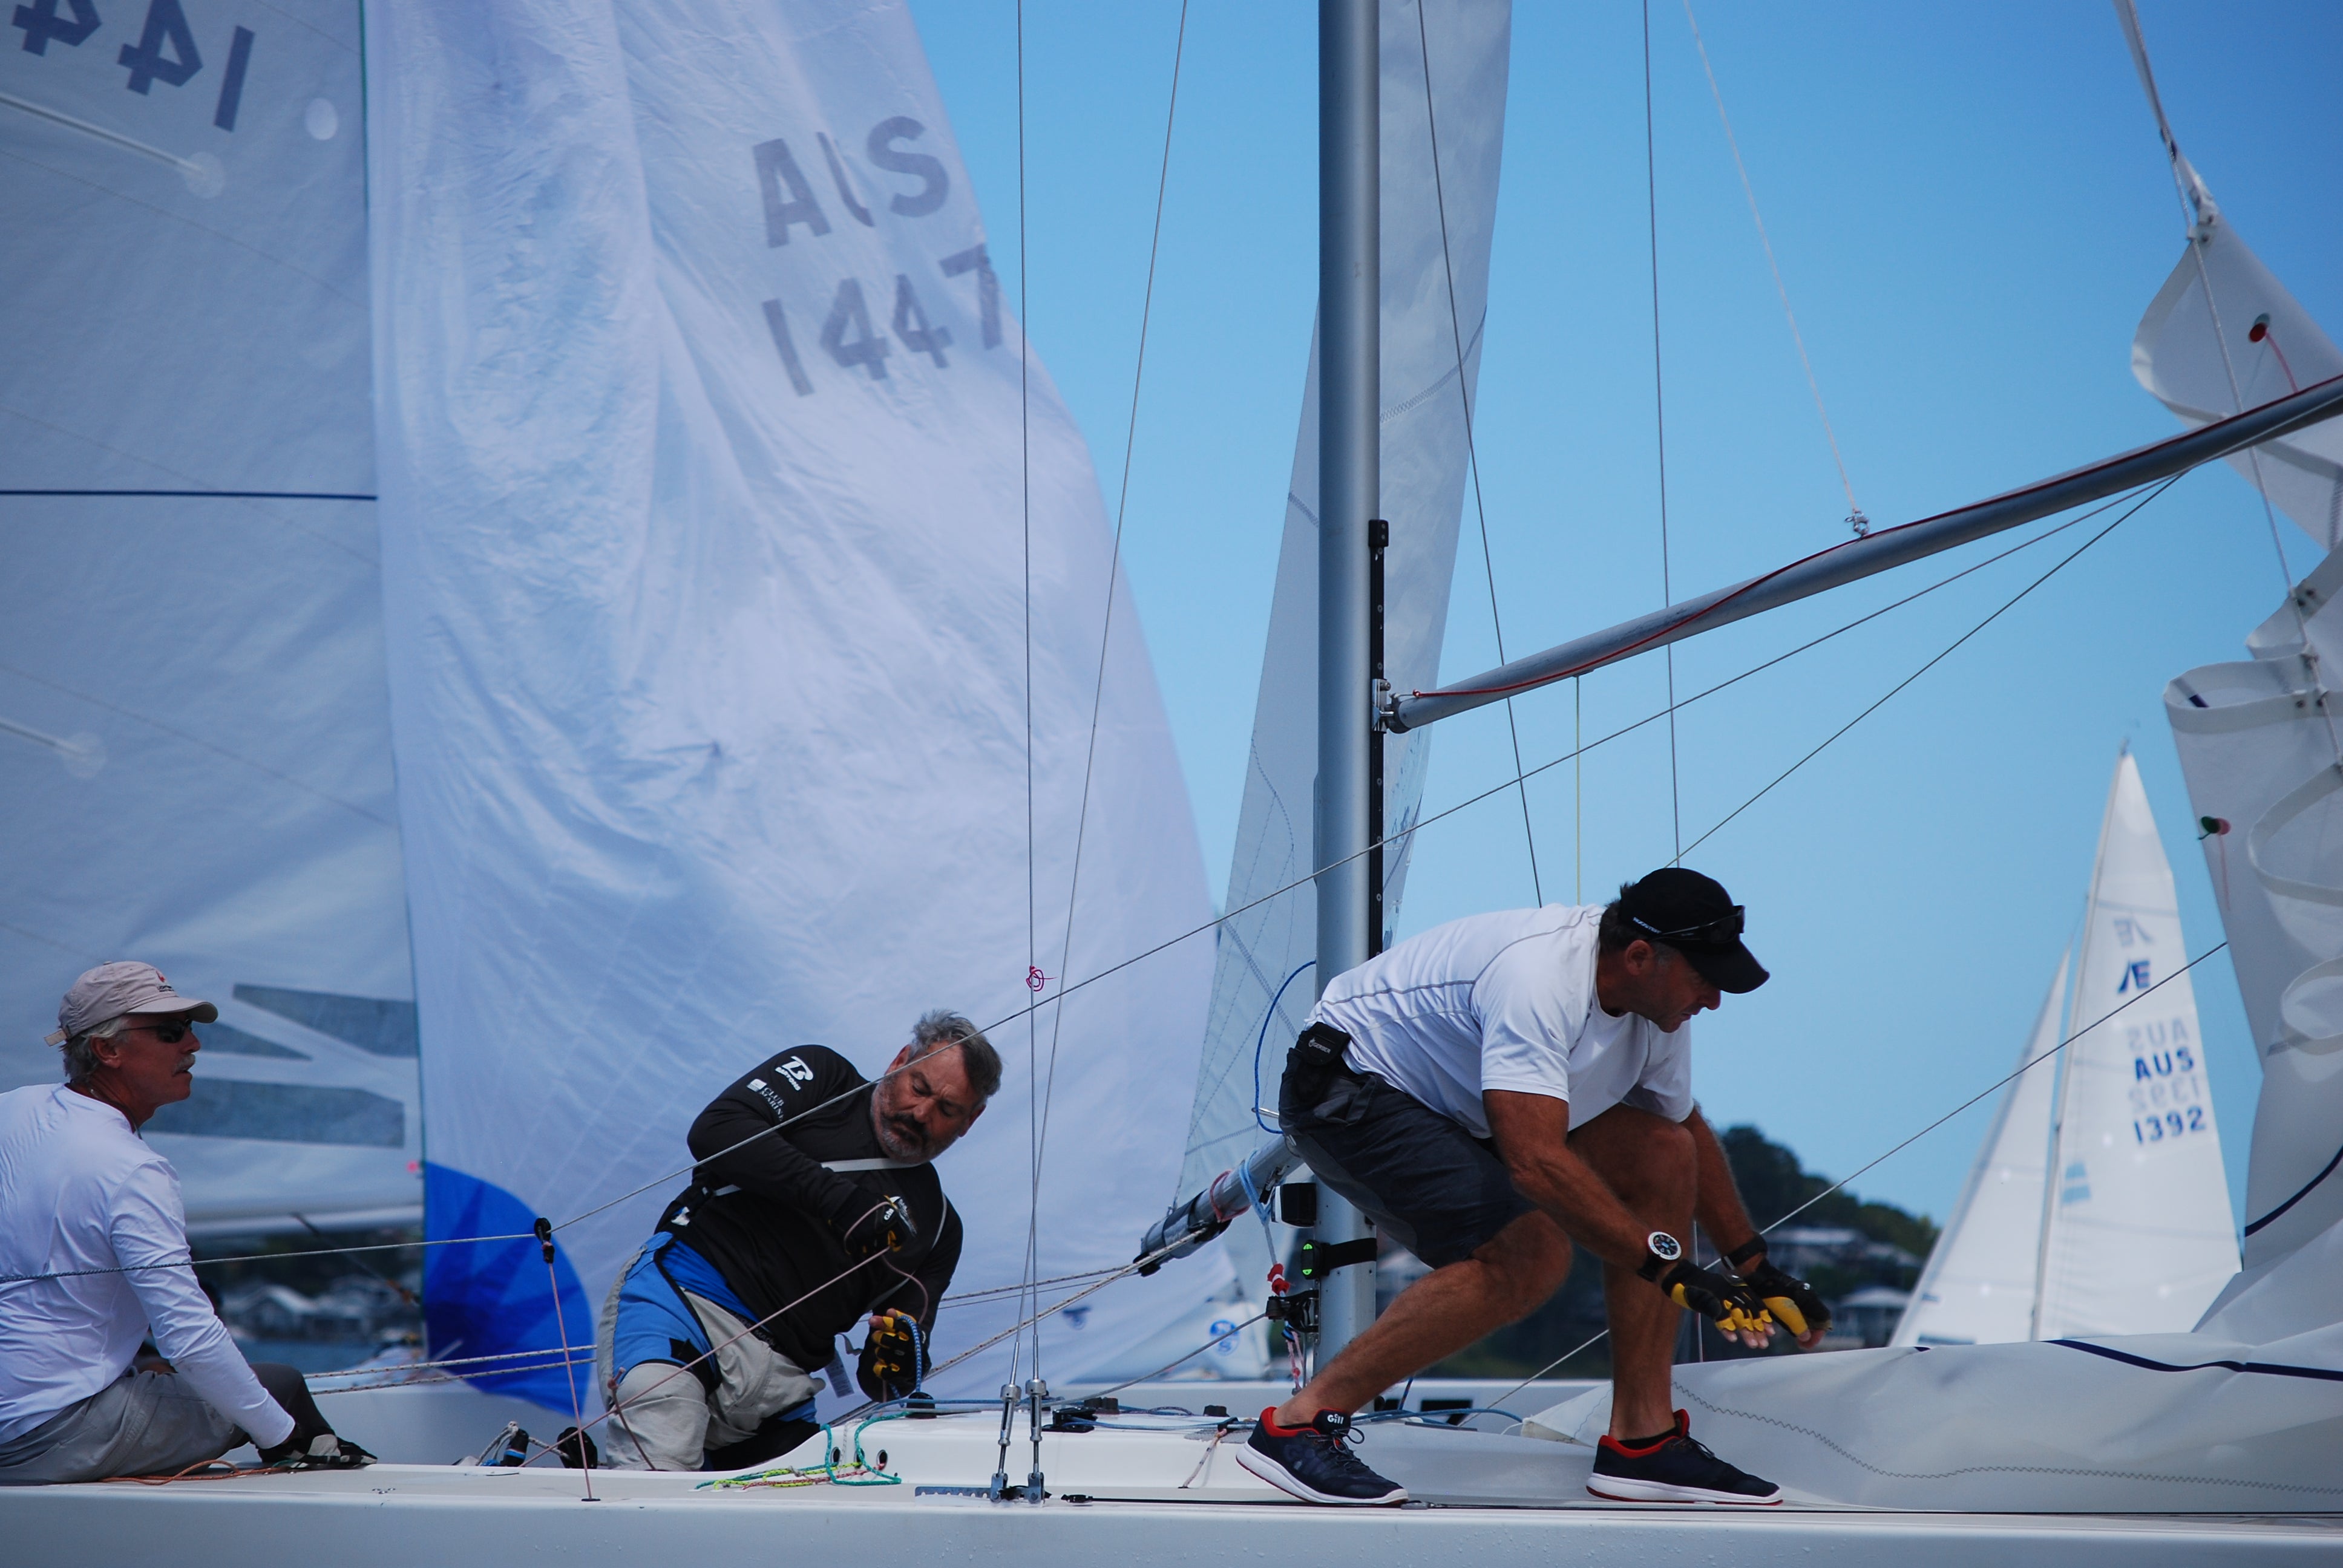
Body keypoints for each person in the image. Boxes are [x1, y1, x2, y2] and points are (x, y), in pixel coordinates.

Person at [1239, 869, 1833, 1508]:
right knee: (1529, 1254)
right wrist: (1669, 1268)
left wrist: (1754, 1267)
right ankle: (1295, 1428)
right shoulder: (1538, 980)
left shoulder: (1655, 1010)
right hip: (1351, 1086)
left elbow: (1680, 1124)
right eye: (1704, 979)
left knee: (1664, 1152)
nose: (1713, 1000)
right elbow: (1533, 1164)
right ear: (1639, 957)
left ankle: (1643, 1442)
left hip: (1463, 1100)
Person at [0, 962, 372, 1483]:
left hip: (17, 1419)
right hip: (50, 1436)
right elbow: (190, 1340)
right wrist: (280, 1433)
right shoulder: (132, 1168)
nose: (193, 1044)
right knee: (280, 1384)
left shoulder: (12, 1110)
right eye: (171, 1033)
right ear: (107, 1051)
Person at [594, 1010, 999, 1471]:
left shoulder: (941, 1226)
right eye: (919, 1088)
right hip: (684, 1308)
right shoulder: (824, 1078)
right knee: (658, 1492)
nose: (921, 1113)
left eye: (947, 1110)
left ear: (971, 1121)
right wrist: (841, 1203)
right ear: (898, 1062)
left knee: (801, 1528)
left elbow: (883, 1382)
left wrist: (901, 1364)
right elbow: (717, 1129)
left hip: (779, 1383)